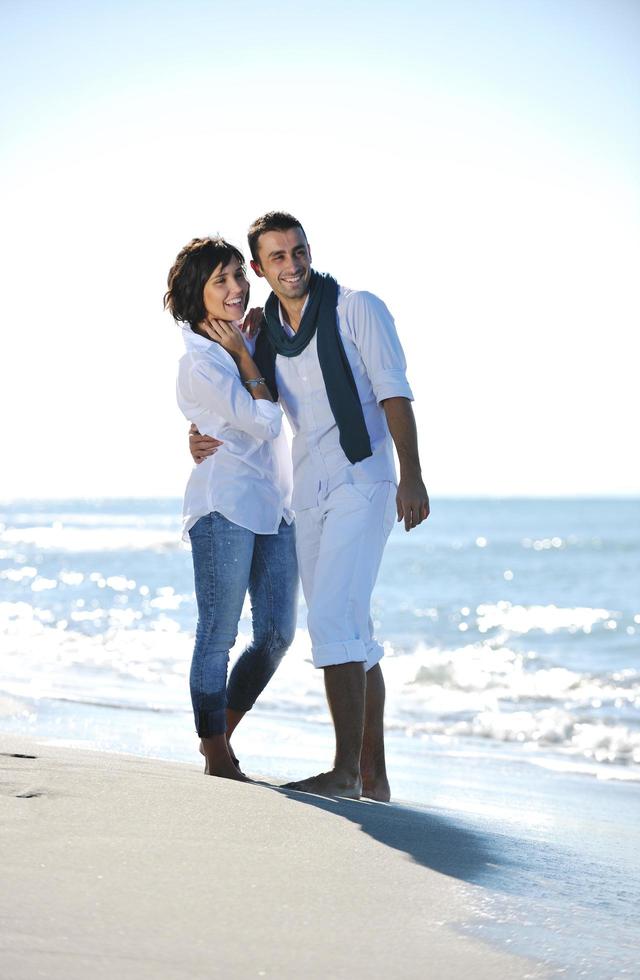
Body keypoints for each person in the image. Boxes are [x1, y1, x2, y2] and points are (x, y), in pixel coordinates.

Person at [191, 212, 429, 801]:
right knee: (353, 627)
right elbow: (242, 398)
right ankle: (374, 779)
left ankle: (344, 772)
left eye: (299, 251)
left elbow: (392, 391)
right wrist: (194, 435)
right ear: (259, 268)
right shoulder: (264, 328)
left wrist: (413, 476)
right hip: (306, 489)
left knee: (331, 620)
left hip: (364, 479)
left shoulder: (356, 308)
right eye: (277, 257)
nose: (292, 265)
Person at [165, 236, 298, 781]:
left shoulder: (252, 333)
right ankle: (216, 749)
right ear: (198, 294)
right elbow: (265, 422)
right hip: (224, 505)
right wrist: (244, 357)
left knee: (276, 634)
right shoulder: (201, 363)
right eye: (220, 281)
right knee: (218, 632)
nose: (237, 288)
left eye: (238, 276)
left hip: (275, 501)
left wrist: (247, 349)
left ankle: (222, 730)